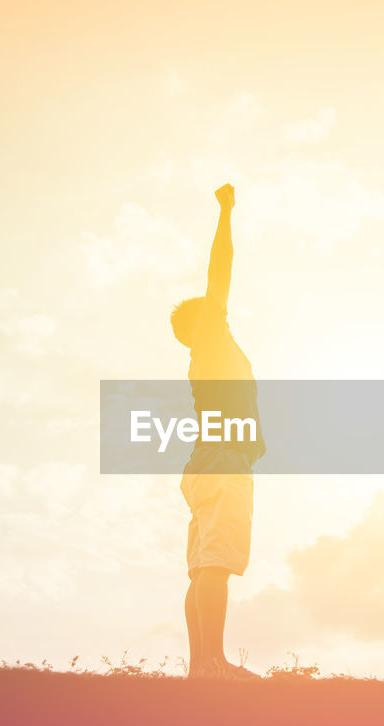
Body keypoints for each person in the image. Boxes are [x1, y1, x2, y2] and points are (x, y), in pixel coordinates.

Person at [171, 183, 265, 680]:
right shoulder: (213, 340)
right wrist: (225, 213)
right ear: (203, 321)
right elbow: (220, 270)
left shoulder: (201, 358)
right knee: (216, 564)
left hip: (202, 465)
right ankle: (214, 663)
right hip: (224, 463)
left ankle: (199, 665)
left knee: (202, 565)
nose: (219, 308)